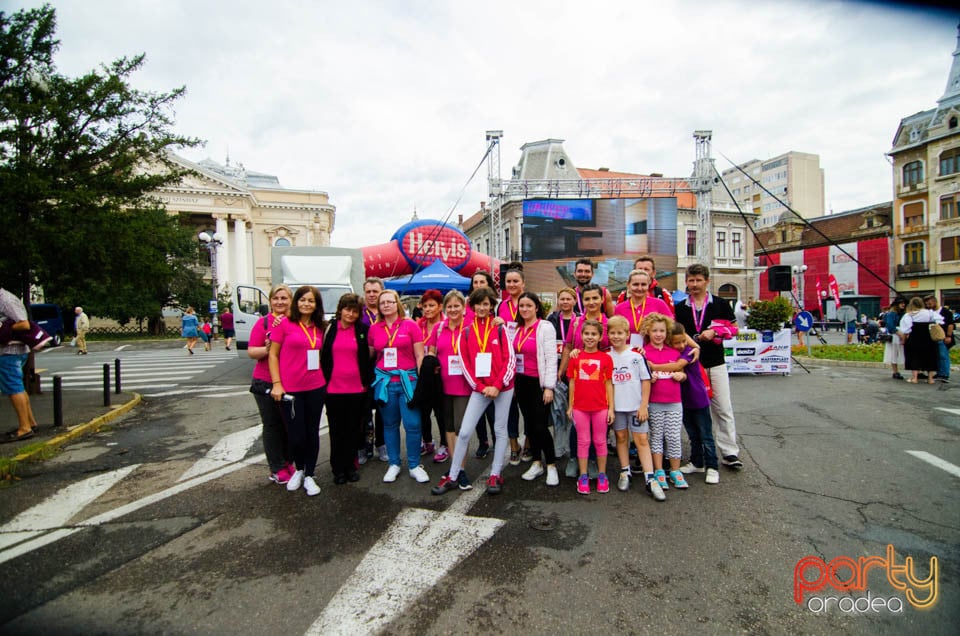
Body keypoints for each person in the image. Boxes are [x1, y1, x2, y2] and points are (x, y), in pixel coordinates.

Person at [431, 286, 515, 496]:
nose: (482, 308)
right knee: (465, 431)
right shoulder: (467, 332)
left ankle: (495, 474)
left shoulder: (499, 328)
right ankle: (452, 475)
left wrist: (497, 385)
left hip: (503, 387)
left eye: (486, 304)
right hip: (480, 388)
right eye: (478, 304)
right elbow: (465, 363)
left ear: (491, 306)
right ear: (473, 306)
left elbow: (509, 359)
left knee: (500, 429)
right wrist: (480, 387)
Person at [673, 263, 743, 469]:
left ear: (707, 281)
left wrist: (716, 332)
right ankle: (700, 453)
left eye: (698, 280)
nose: (694, 284)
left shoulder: (720, 304)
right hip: (692, 367)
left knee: (723, 407)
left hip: (715, 363)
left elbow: (735, 329)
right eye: (691, 280)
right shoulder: (679, 308)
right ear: (686, 282)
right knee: (695, 410)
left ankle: (730, 452)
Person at [268, 286, 327, 496]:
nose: (306, 304)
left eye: (311, 301)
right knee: (296, 435)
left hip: (315, 387)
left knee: (312, 432)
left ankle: (310, 474)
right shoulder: (284, 324)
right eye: (303, 300)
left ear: (316, 305)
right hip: (290, 390)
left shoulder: (321, 327)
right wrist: (277, 383)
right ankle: (299, 470)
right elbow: (273, 355)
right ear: (297, 302)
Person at [368, 289, 429, 484]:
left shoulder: (410, 325)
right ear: (379, 306)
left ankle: (413, 465)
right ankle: (393, 464)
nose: (386, 305)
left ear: (397, 304)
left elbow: (420, 355)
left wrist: (421, 384)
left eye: (390, 301)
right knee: (390, 425)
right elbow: (371, 356)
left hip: (408, 382)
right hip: (385, 384)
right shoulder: (374, 329)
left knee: (412, 425)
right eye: (382, 302)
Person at [606, 316, 661, 500]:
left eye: (620, 333)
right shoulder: (607, 357)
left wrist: (643, 405)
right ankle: (624, 471)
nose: (616, 336)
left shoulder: (637, 356)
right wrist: (610, 408)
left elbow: (646, 381)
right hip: (617, 407)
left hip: (636, 406)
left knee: (642, 440)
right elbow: (607, 384)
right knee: (621, 438)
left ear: (627, 334)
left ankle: (650, 478)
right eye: (612, 333)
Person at [321, 293, 374, 485]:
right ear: (340, 309)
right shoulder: (330, 329)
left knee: (354, 430)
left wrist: (366, 382)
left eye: (354, 311)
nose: (351, 314)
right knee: (337, 431)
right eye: (347, 310)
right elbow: (323, 356)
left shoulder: (362, 329)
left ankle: (351, 466)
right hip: (333, 389)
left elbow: (368, 358)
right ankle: (338, 468)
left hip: (357, 389)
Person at [248, 284, 295, 485]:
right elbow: (252, 352)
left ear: (291, 301)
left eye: (284, 298)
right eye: (276, 298)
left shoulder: (294, 322)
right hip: (265, 381)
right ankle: (276, 467)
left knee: (289, 425)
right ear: (270, 301)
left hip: (290, 382)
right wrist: (268, 349)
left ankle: (288, 462)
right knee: (273, 425)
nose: (280, 302)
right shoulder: (263, 323)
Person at [514, 292, 560, 486]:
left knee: (541, 426)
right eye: (522, 306)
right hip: (521, 382)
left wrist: (549, 387)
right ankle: (536, 462)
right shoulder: (516, 329)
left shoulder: (545, 327)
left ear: (536, 307)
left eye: (529, 305)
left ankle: (551, 465)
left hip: (538, 384)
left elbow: (551, 359)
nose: (525, 309)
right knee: (530, 426)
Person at [425, 290, 471, 481]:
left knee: (462, 429)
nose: (453, 310)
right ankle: (455, 465)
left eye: (456, 306)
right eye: (449, 306)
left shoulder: (469, 327)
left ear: (463, 308)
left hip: (464, 385)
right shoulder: (438, 328)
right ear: (445, 308)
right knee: (449, 426)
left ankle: (461, 467)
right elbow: (432, 351)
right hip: (443, 385)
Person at [642, 312, 689, 493]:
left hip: (674, 402)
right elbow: (642, 378)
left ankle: (675, 471)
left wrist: (681, 376)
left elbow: (682, 373)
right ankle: (659, 470)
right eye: (655, 330)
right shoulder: (645, 352)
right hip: (654, 402)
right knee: (656, 437)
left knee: (673, 437)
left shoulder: (674, 352)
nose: (658, 334)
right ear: (648, 331)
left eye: (662, 330)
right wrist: (649, 379)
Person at [566, 319, 614, 494]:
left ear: (601, 336)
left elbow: (609, 384)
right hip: (580, 407)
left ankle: (602, 475)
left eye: (594, 334)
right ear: (581, 335)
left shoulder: (606, 358)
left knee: (600, 441)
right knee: (583, 441)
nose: (590, 337)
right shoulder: (575, 357)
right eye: (587, 334)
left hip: (601, 407)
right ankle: (583, 475)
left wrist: (611, 408)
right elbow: (572, 383)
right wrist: (570, 405)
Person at [672, 323, 719, 485]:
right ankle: (697, 462)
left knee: (706, 435)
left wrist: (652, 365)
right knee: (692, 434)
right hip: (683, 399)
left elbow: (678, 366)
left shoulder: (688, 352)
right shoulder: (671, 353)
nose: (681, 345)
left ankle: (712, 466)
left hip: (698, 398)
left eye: (682, 341)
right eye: (676, 342)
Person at [0, 287, 39, 443]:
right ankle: (30, 423)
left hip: (10, 351)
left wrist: (4, 328)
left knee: (13, 388)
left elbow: (24, 324)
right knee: (16, 387)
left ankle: (24, 428)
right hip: (12, 351)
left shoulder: (5, 299)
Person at [466, 269, 497, 457]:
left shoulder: (496, 306)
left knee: (493, 408)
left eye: (482, 282)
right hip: (474, 364)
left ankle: (496, 437)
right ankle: (483, 441)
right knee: (477, 408)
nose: (478, 285)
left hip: (493, 365)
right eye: (475, 282)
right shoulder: (468, 306)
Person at [498, 268, 527, 465]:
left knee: (528, 405)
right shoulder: (501, 305)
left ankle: (531, 444)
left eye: (516, 281)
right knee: (509, 406)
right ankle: (514, 445)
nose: (512, 284)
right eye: (509, 281)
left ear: (523, 283)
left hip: (527, 360)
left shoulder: (529, 302)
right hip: (506, 359)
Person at [416, 289, 446, 461]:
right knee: (423, 411)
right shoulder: (416, 325)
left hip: (440, 376)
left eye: (431, 305)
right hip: (422, 375)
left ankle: (444, 444)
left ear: (440, 307)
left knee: (440, 412)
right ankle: (427, 441)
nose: (427, 309)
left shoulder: (445, 325)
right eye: (425, 306)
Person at [359, 276, 386, 463]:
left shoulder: (388, 311)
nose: (371, 295)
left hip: (385, 369)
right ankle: (365, 445)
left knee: (384, 409)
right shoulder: (358, 314)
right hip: (364, 369)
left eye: (375, 291)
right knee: (365, 410)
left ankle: (382, 445)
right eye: (368, 291)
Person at [614, 269, 673, 347]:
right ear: (628, 285)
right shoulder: (619, 308)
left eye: (643, 284)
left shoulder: (659, 304)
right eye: (635, 284)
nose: (640, 288)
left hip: (653, 353)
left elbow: (673, 329)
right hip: (628, 353)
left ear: (648, 285)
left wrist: (693, 346)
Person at [899, 297, 944, 385]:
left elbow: (906, 329)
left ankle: (915, 378)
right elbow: (940, 321)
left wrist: (903, 340)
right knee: (930, 356)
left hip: (915, 337)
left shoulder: (909, 315)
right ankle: (930, 379)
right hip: (928, 337)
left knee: (914, 356)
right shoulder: (929, 313)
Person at [924, 295, 953, 383]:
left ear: (935, 302)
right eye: (927, 304)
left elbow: (950, 324)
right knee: (937, 355)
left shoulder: (945, 312)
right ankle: (939, 372)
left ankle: (945, 374)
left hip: (943, 337)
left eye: (930, 303)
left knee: (943, 355)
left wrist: (948, 336)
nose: (928, 306)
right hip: (933, 337)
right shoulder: (929, 312)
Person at [883, 297, 908, 380]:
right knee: (894, 353)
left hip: (903, 333)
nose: (903, 304)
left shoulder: (904, 314)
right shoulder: (891, 314)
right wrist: (898, 333)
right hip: (895, 335)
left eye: (904, 303)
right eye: (901, 303)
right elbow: (890, 326)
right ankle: (895, 371)